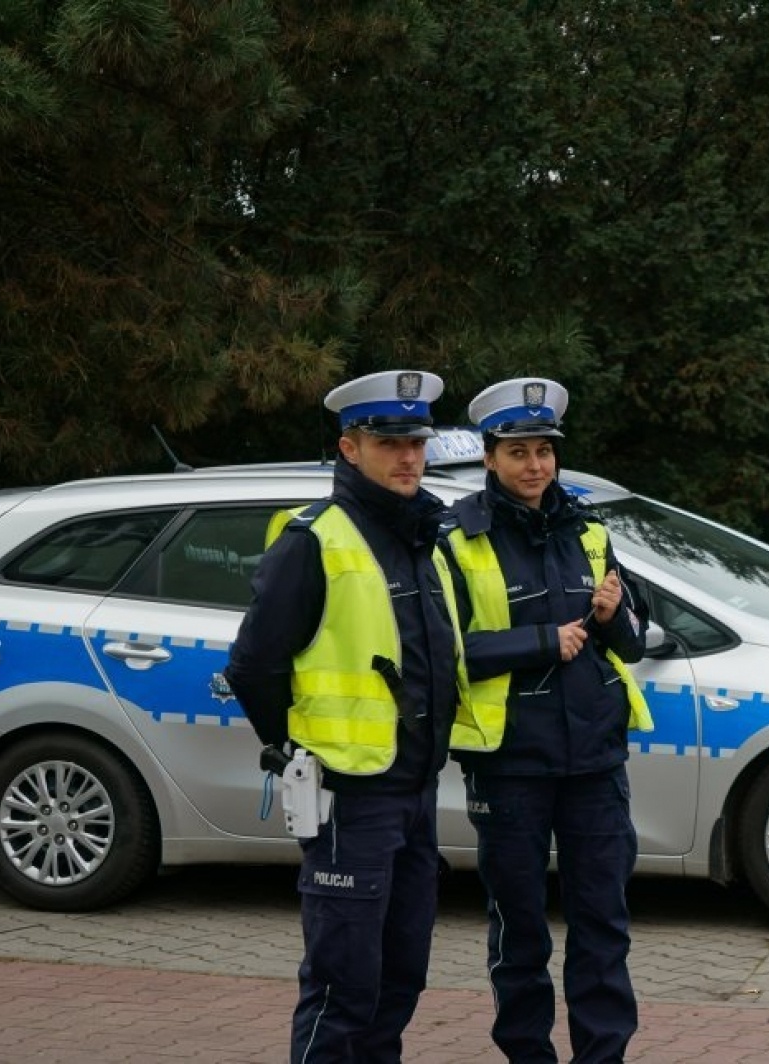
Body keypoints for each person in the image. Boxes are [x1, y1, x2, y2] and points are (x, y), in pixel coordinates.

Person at [225, 369, 459, 1064]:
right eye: (390, 443)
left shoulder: (423, 534)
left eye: (416, 441)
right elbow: (254, 665)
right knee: (342, 986)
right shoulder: (314, 539)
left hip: (413, 791)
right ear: (349, 449)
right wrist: (298, 750)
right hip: (348, 797)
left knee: (399, 978)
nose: (409, 456)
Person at [443, 377, 653, 1064]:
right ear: (490, 458)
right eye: (518, 453)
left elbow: (631, 639)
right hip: (509, 766)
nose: (535, 466)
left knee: (602, 927)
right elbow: (441, 650)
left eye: (544, 452)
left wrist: (609, 616)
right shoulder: (458, 538)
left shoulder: (587, 529)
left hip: (595, 762)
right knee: (521, 932)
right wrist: (538, 642)